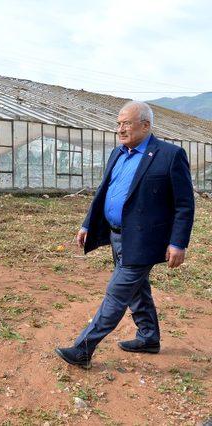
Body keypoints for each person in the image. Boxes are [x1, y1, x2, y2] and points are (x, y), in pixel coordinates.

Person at [55, 101, 195, 369]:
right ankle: (149, 338)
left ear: (145, 125)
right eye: (118, 123)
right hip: (118, 236)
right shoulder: (118, 153)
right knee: (137, 290)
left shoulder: (169, 155)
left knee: (117, 293)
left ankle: (83, 349)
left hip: (144, 240)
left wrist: (178, 242)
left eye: (126, 123)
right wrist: (87, 224)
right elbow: (103, 191)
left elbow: (184, 204)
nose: (120, 129)